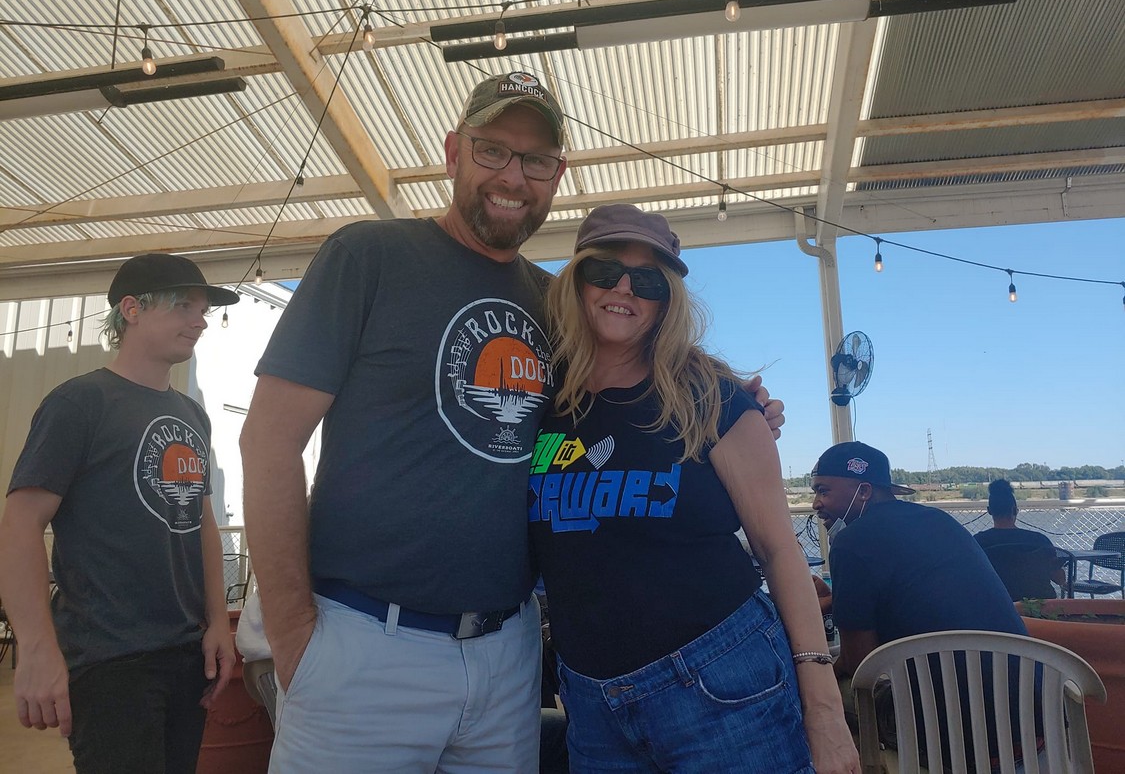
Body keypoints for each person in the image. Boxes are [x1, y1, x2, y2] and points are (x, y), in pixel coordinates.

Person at [239, 71, 785, 772]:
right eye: (492, 150)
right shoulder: (368, 256)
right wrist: (292, 633)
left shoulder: (557, 303)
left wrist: (738, 403)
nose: (513, 176)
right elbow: (269, 441)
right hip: (365, 644)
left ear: (557, 174)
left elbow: (642, 372)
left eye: (535, 160)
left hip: (508, 656)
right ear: (453, 152)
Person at [529, 203, 858, 773]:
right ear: (577, 280)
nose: (624, 288)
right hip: (590, 701)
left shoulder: (712, 397)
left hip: (719, 679)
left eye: (648, 280)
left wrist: (824, 707)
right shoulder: (542, 399)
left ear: (667, 300)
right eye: (605, 270)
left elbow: (779, 550)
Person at [0, 254, 238, 774]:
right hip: (109, 656)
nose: (199, 321)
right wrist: (36, 648)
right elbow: (20, 523)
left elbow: (201, 524)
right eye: (183, 306)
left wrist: (219, 623)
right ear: (131, 309)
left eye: (203, 310)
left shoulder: (192, 414)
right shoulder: (79, 403)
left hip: (186, 650)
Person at [811, 442, 1036, 769]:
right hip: (1032, 714)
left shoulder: (851, 542)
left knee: (816, 700)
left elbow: (860, 663)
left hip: (957, 738)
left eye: (823, 491)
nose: (815, 503)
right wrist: (836, 601)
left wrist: (819, 673)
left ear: (863, 491)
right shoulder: (939, 521)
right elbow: (920, 592)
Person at [974, 479, 1065, 600]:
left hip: (997, 605)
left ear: (989, 511)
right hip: (1039, 605)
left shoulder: (978, 542)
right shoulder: (1040, 541)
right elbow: (1060, 579)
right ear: (1015, 510)